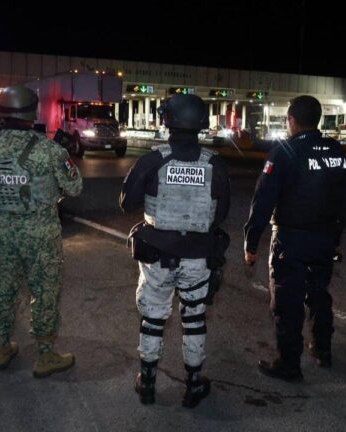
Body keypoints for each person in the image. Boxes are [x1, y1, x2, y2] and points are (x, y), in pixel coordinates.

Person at [120, 93, 231, 408]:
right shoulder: (215, 164)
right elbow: (221, 214)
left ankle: (148, 383)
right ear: (200, 123)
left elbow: (126, 203)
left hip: (157, 256)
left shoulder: (153, 160)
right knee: (194, 319)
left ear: (167, 119)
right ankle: (194, 384)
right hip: (198, 257)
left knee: (153, 319)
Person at [0, 84, 82, 375]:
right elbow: (74, 187)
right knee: (45, 291)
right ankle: (45, 355)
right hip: (41, 232)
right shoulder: (49, 150)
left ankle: (0, 348)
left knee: (3, 289)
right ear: (30, 113)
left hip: (3, 230)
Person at [243, 95, 346, 382]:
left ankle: (290, 363)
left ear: (291, 120)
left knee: (287, 302)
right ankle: (322, 349)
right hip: (325, 238)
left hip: (291, 240)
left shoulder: (284, 153)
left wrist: (251, 243)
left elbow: (262, 202)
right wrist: (336, 237)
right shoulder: (337, 151)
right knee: (319, 293)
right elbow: (344, 200)